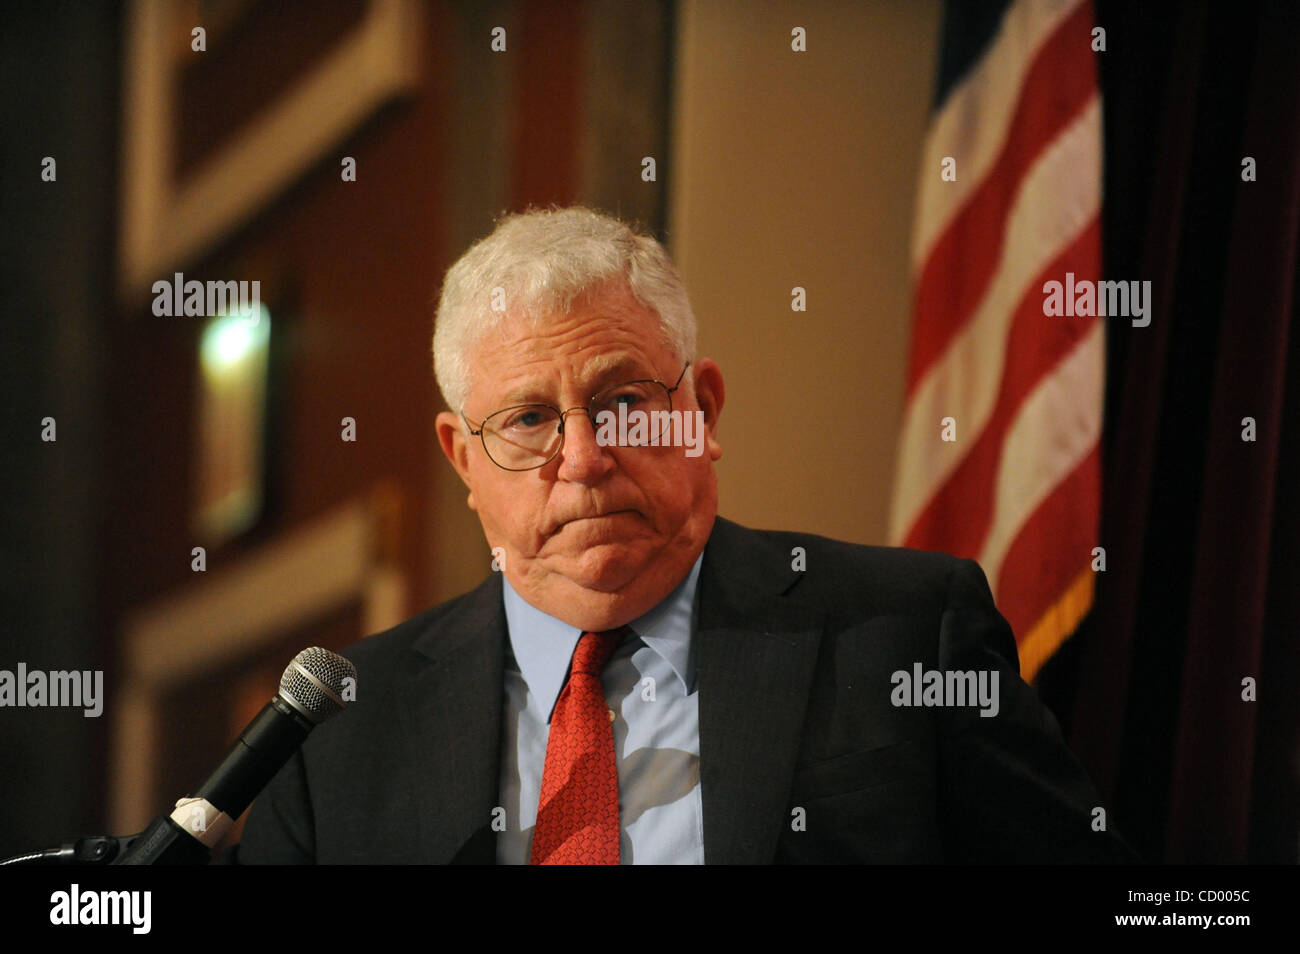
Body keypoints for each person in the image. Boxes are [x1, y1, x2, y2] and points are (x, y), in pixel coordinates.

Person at [238, 206, 1138, 864]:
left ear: (701, 410)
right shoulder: (339, 737)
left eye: (624, 403)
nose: (584, 458)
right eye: (526, 420)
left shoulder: (906, 628)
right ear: (462, 461)